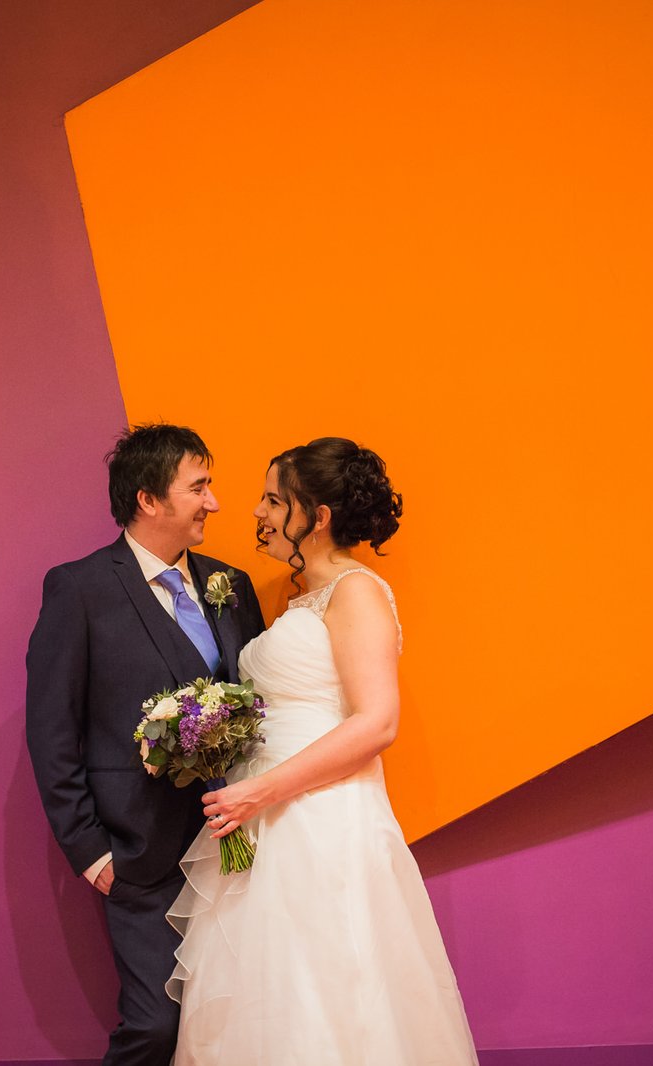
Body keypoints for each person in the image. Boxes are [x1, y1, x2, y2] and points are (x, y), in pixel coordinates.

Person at [167, 437, 478, 1065]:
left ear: (319, 515)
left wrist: (261, 790)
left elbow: (376, 724)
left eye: (274, 500)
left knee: (331, 993)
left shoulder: (357, 593)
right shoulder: (300, 595)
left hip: (322, 822)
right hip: (265, 824)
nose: (256, 512)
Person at [26, 423, 266, 1066]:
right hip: (141, 854)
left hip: (239, 845)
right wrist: (92, 852)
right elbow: (52, 731)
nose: (213, 503)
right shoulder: (78, 589)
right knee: (157, 1028)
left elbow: (258, 701)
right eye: (200, 487)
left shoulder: (231, 584)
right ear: (148, 500)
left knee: (238, 1026)